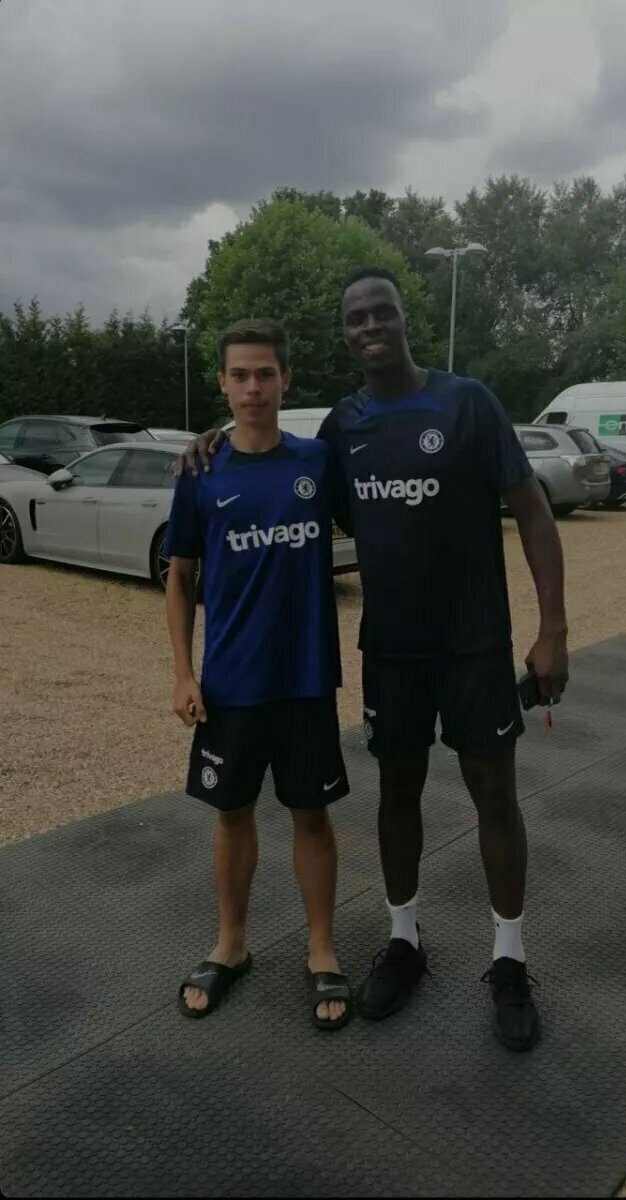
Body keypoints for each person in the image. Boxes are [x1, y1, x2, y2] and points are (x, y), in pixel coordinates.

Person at [180, 270, 569, 1052]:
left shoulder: (468, 403)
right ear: (345, 334)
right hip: (390, 651)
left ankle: (510, 960)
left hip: (475, 646)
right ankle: (403, 941)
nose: (369, 326)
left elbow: (532, 511)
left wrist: (553, 628)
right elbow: (277, 471)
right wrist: (210, 442)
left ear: (403, 318)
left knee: (495, 796)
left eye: (380, 312)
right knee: (398, 794)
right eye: (355, 318)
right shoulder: (341, 428)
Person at [166, 317, 351, 1030]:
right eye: (239, 375)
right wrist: (183, 674)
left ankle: (321, 949)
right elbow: (179, 576)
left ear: (285, 380)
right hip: (231, 685)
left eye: (265, 373)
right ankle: (231, 944)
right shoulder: (201, 471)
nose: (253, 387)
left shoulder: (317, 462)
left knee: (312, 816)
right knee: (232, 814)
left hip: (305, 679)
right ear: (222, 382)